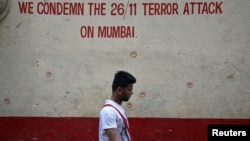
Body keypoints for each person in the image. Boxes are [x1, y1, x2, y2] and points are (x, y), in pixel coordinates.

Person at [99, 71, 136, 141]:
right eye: (129, 89)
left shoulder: (117, 109)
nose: (131, 93)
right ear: (119, 90)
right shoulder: (109, 111)